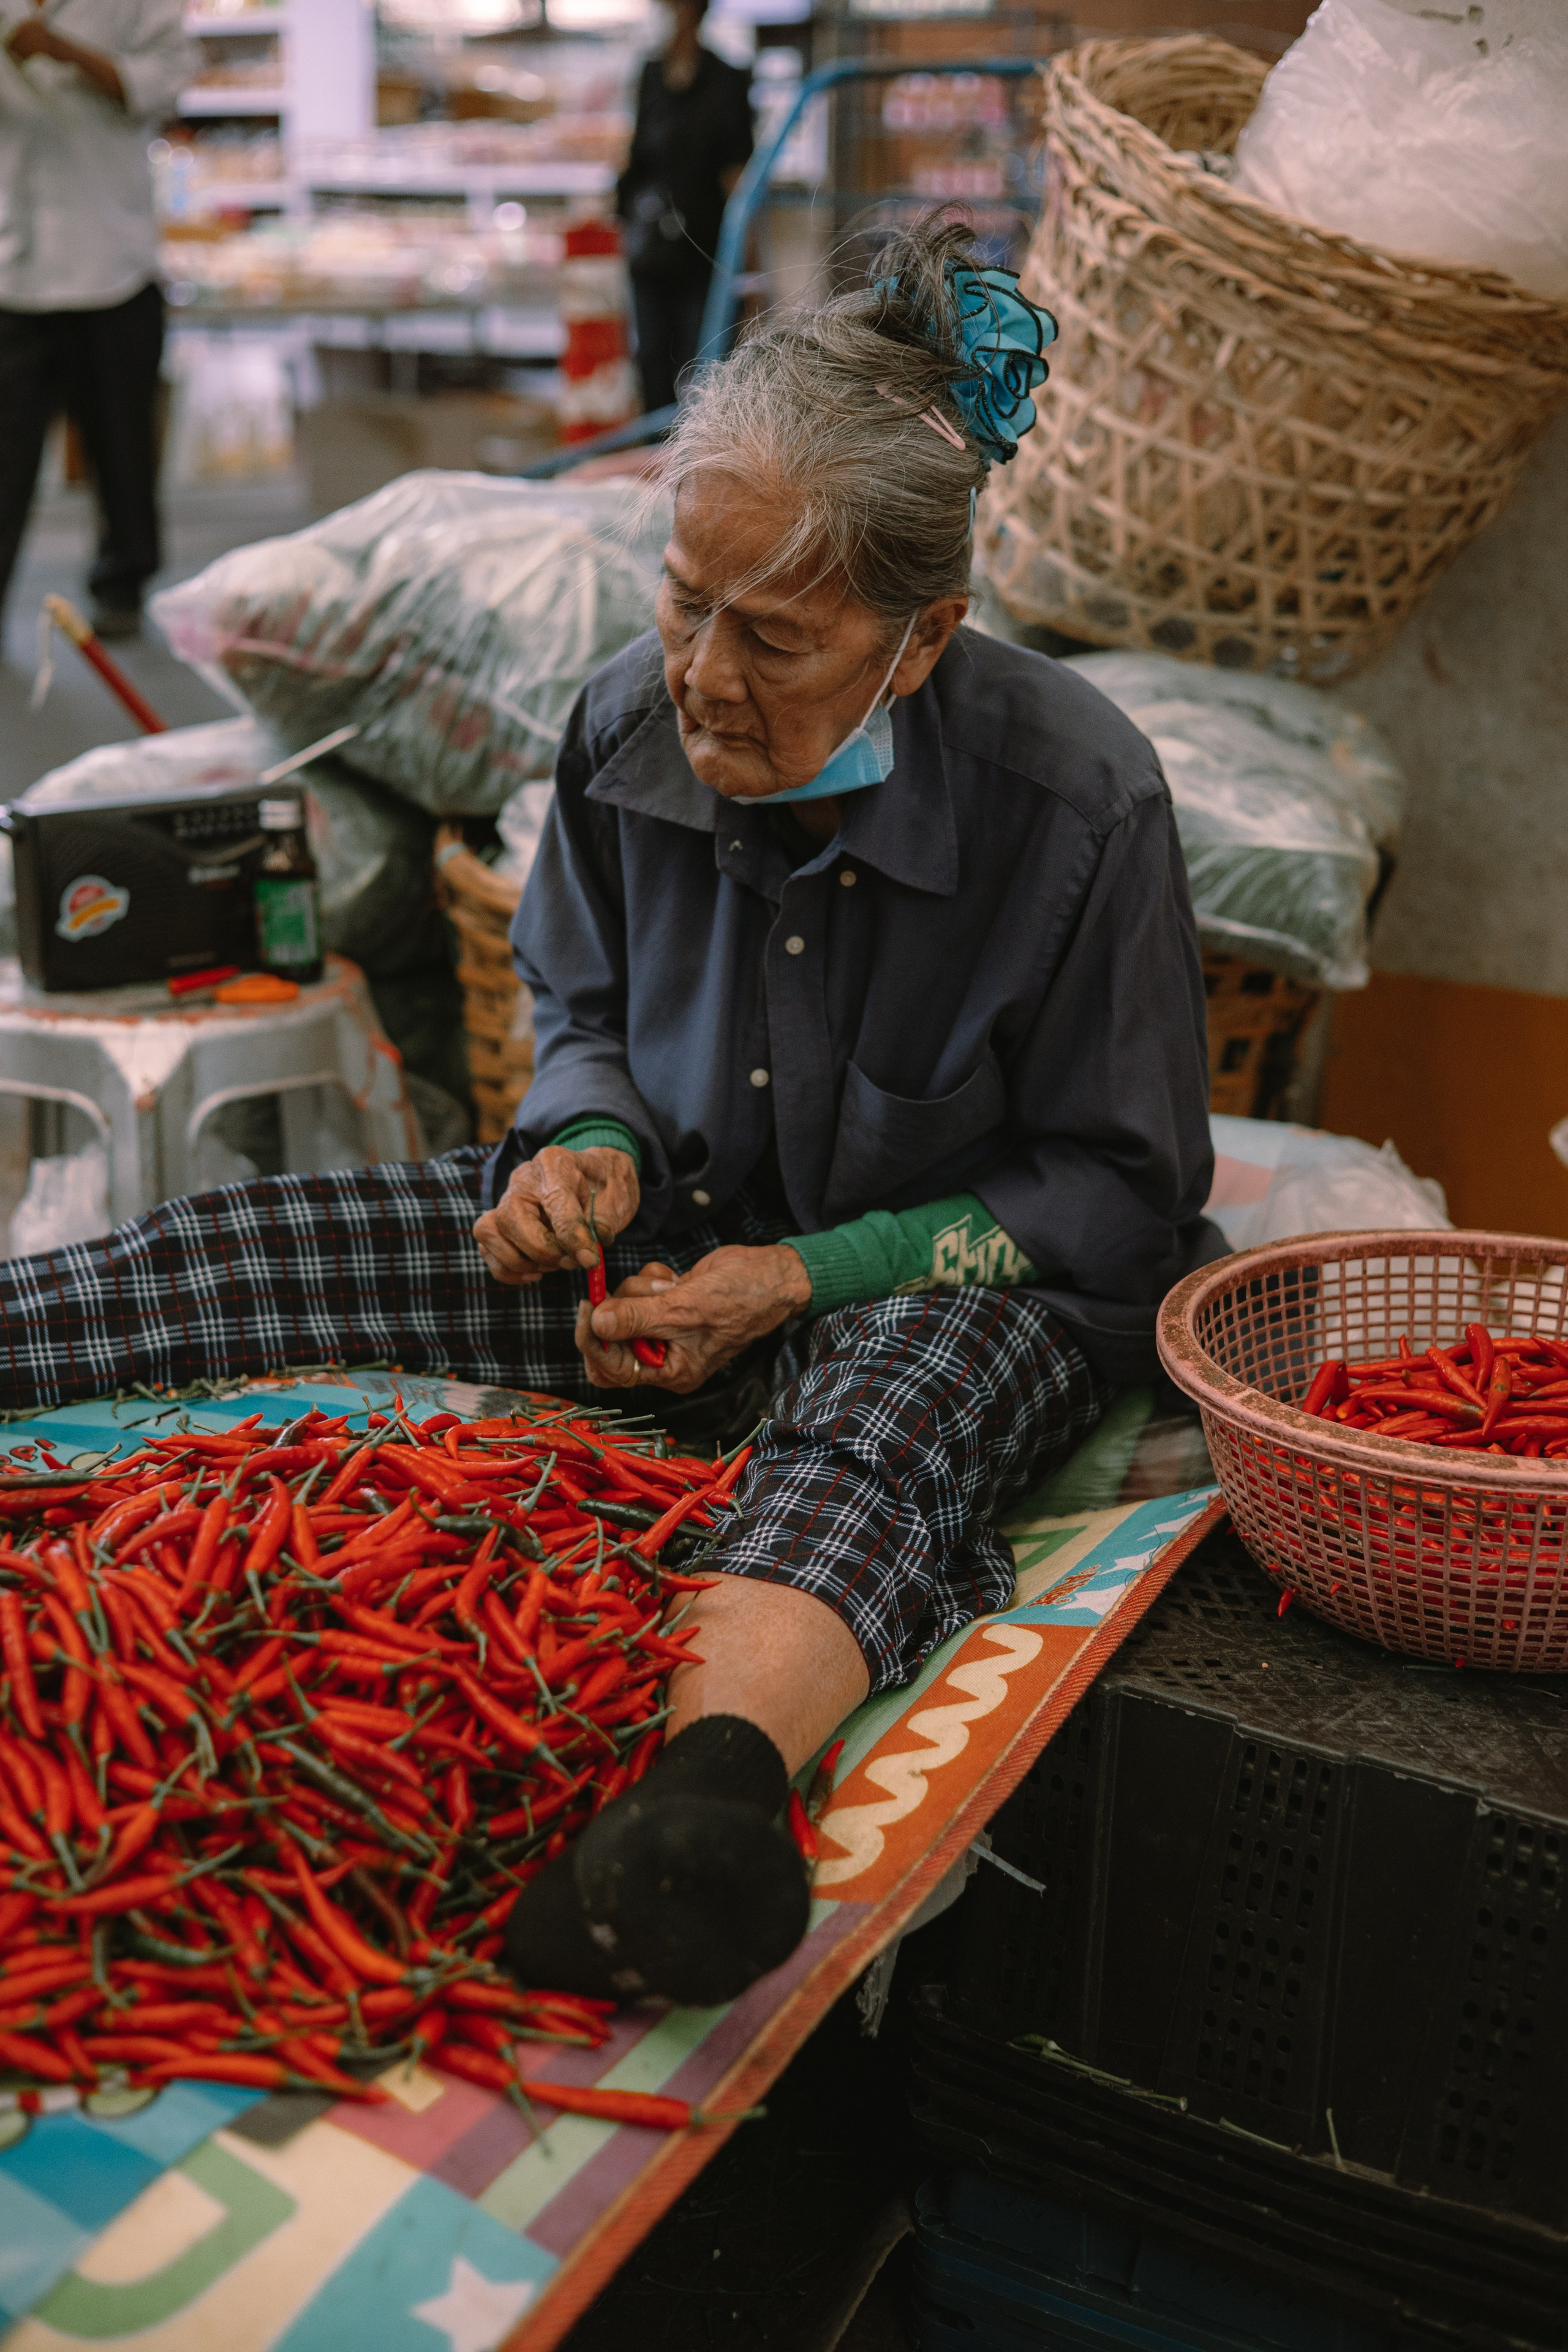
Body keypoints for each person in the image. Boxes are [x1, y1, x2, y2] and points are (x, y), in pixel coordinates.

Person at [0, 221, 1221, 2008]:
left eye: (777, 637)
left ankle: (706, 1795)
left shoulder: (1075, 802)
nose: (703, 674)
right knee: (265, 1244)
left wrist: (806, 1277)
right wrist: (585, 1150)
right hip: (669, 1242)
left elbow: (1119, 1195)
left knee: (892, 1413)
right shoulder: (620, 725)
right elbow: (571, 1009)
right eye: (682, 598)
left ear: (923, 636)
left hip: (934, 1283)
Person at [0, 1, 192, 638]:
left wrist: (59, 49)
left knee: (121, 443)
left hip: (112, 259)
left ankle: (124, 584)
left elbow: (159, 88)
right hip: (13, 267)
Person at [617, 0, 751, 414]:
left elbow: (737, 172)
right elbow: (637, 157)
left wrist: (748, 258)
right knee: (653, 360)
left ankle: (696, 461)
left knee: (707, 362)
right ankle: (653, 462)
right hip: (651, 245)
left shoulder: (727, 78)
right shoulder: (650, 75)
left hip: (704, 244)